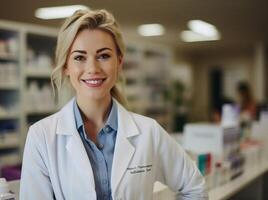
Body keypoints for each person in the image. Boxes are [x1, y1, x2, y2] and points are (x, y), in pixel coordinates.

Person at [20, 9, 208, 200]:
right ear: (66, 66)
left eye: (103, 56)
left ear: (119, 62)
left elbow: (195, 188)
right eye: (79, 57)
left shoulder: (149, 132)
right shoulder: (41, 137)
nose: (93, 68)